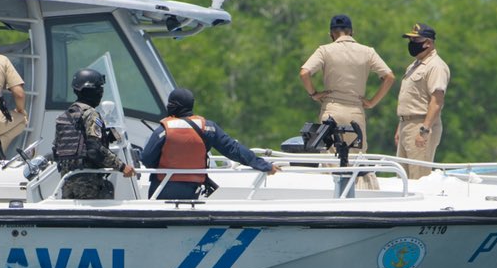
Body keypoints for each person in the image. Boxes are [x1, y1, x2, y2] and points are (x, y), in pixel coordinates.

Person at [140, 86, 278, 200]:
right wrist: (263, 165)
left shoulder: (164, 130)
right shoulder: (208, 128)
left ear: (172, 106)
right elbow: (234, 150)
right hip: (192, 191)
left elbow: (146, 159)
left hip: (162, 190)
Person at [298, 13, 394, 160]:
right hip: (355, 110)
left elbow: (304, 73)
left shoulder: (325, 50)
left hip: (331, 110)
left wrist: (314, 94)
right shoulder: (368, 52)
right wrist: (372, 102)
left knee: (330, 159)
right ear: (352, 32)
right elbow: (389, 77)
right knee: (356, 160)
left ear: (331, 34)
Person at [48, 66, 136, 200]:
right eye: (99, 89)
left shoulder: (66, 115)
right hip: (88, 183)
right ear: (92, 91)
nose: (101, 92)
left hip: (68, 181)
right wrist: (122, 166)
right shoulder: (91, 114)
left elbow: (59, 148)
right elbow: (94, 149)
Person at [394, 22, 450, 178]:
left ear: (428, 43)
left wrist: (425, 130)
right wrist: (401, 127)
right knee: (402, 179)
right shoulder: (414, 65)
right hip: (407, 124)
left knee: (417, 178)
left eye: (416, 41)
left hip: (421, 125)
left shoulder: (436, 66)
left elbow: (437, 101)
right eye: (410, 40)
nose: (412, 44)